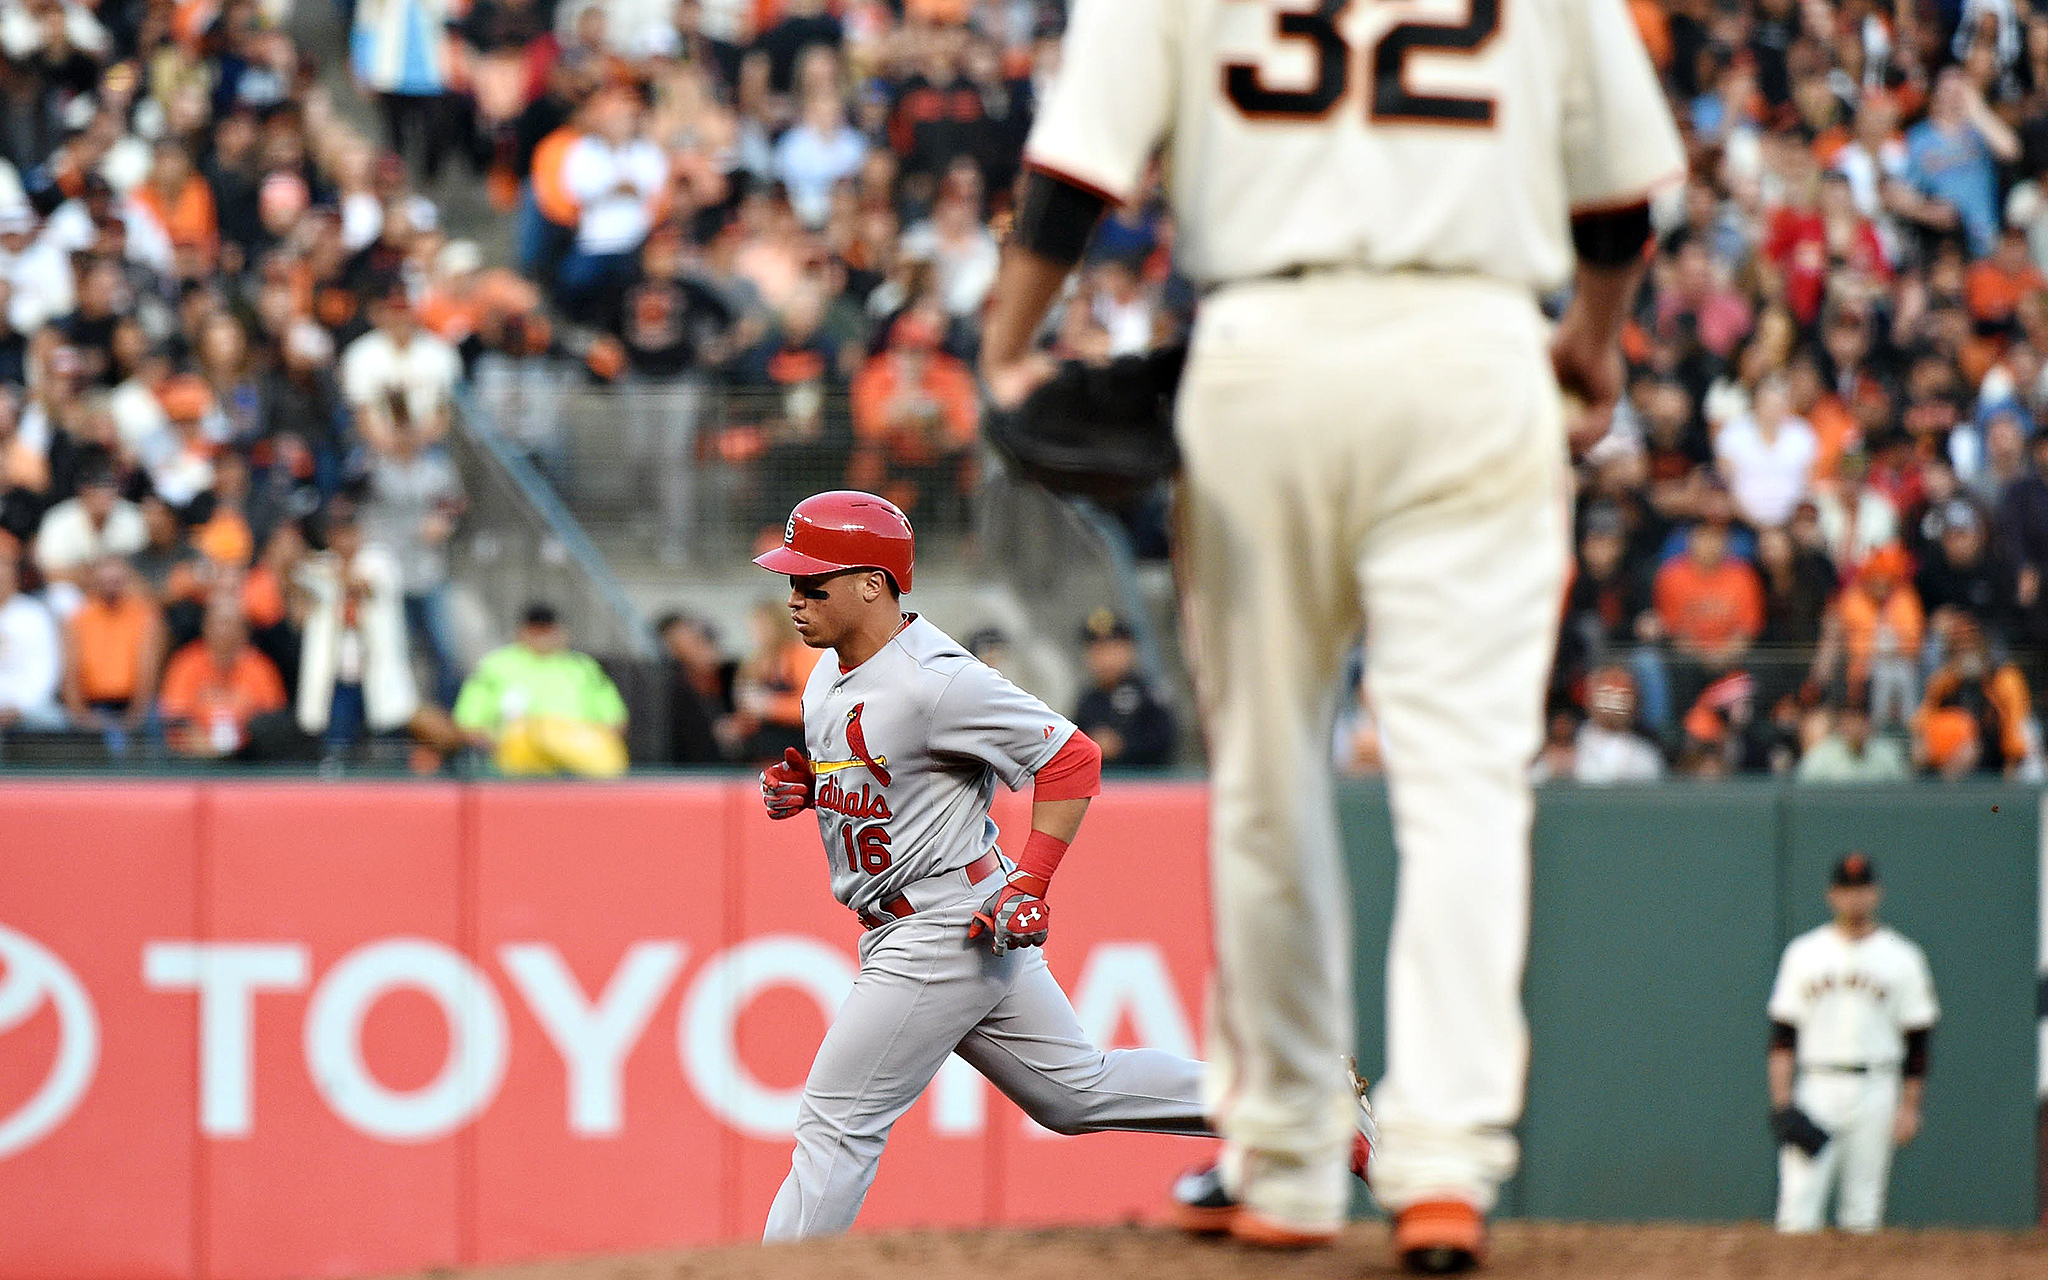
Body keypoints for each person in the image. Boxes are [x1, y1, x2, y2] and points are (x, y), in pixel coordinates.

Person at [977, 1, 1684, 1264]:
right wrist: (1588, 339)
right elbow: (1623, 194)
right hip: (1478, 351)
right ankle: (1443, 1164)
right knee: (1462, 781)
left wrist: (1010, 340)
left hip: (1266, 348)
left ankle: (1291, 1157)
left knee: (1265, 775)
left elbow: (1074, 168)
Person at [748, 490, 1377, 1240]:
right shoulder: (827, 672)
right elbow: (890, 773)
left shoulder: (938, 678)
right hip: (926, 915)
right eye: (789, 579)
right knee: (1074, 1094)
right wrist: (816, 788)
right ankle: (1304, 1108)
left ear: (872, 584)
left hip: (942, 922)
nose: (794, 595)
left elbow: (1072, 757)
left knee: (837, 1123)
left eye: (811, 581)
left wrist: (1031, 881)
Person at [1768, 853, 1938, 1233]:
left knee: (1863, 1210)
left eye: (1862, 889)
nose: (1854, 898)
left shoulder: (1903, 957)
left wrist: (1910, 1106)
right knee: (1797, 1209)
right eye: (1847, 890)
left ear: (1876, 893)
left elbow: (1918, 1040)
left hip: (1877, 1085)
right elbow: (1782, 1034)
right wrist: (1782, 1103)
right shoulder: (1804, 953)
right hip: (1817, 1087)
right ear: (1832, 895)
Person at [453, 601, 629, 776]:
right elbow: (468, 723)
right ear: (522, 631)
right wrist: (500, 747)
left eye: (548, 630)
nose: (543, 636)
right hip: (514, 769)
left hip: (579, 767)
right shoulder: (496, 666)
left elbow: (615, 721)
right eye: (537, 630)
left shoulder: (583, 667)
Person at [156, 594, 288, 758]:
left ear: (245, 630)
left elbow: (273, 723)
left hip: (248, 760)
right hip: (194, 758)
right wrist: (205, 745)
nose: (225, 631)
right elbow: (174, 717)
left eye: (231, 624)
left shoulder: (261, 668)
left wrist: (239, 746)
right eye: (220, 623)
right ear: (206, 626)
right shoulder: (186, 663)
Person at [61, 555, 163, 754]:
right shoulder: (79, 618)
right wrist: (80, 715)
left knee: (156, 726)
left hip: (133, 704)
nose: (110, 587)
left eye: (116, 581)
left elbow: (148, 670)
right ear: (94, 582)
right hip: (93, 705)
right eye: (104, 581)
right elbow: (71, 671)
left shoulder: (144, 616)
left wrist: (135, 716)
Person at [1072, 608, 1174, 768]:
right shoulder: (1088, 700)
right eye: (1098, 651)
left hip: (1148, 784)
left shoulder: (1149, 694)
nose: (1106, 659)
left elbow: (1165, 740)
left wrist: (1122, 746)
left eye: (1113, 649)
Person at [0, 545, 64, 730]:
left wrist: (20, 707)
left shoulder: (33, 614)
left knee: (54, 722)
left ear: (15, 575)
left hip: (28, 709)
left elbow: (46, 671)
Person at [1570, 667, 1663, 784]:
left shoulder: (1646, 757)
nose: (1615, 702)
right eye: (1607, 694)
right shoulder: (1568, 748)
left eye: (1623, 695)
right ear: (1590, 698)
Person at [1795, 699, 1909, 784]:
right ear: (1840, 727)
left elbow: (1904, 791)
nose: (1855, 729)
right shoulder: (1822, 754)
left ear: (1868, 725)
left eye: (1859, 723)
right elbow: (1803, 788)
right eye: (1849, 723)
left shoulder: (1888, 753)